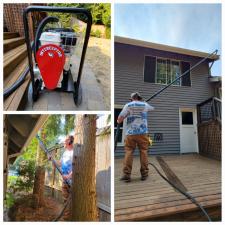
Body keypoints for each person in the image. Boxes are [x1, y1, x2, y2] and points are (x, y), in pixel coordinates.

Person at [117, 92, 154, 182]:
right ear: (139, 98)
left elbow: (120, 119)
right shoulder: (145, 105)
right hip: (143, 133)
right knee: (144, 152)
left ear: (131, 98)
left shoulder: (128, 105)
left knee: (129, 152)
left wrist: (121, 119)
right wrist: (144, 103)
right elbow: (152, 108)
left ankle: (126, 175)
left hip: (131, 133)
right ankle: (144, 174)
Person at [49, 135, 74, 220]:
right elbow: (60, 163)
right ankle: (67, 218)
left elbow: (78, 166)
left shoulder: (74, 152)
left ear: (70, 142)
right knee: (65, 200)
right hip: (65, 180)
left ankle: (68, 218)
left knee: (71, 201)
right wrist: (52, 159)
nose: (64, 142)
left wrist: (69, 176)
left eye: (65, 140)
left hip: (72, 181)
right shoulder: (65, 152)